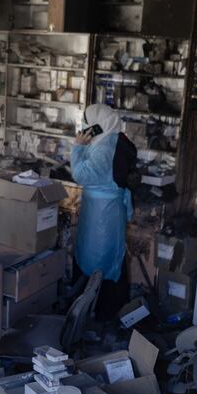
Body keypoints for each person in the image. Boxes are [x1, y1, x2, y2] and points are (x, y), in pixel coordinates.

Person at [71, 103, 134, 319]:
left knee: (98, 259)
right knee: (108, 256)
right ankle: (103, 308)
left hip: (102, 214)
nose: (85, 127)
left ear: (99, 124)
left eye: (88, 123)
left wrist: (78, 147)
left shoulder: (105, 148)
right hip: (107, 209)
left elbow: (81, 174)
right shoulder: (114, 139)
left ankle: (98, 311)